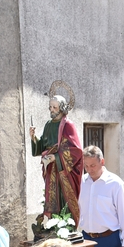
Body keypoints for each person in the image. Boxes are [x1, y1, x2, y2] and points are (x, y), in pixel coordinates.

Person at [29, 95, 83, 223]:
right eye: (50, 107)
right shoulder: (48, 125)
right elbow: (42, 145)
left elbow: (76, 150)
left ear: (62, 108)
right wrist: (33, 138)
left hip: (64, 169)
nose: (51, 110)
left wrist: (57, 157)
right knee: (52, 198)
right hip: (51, 168)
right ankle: (54, 224)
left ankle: (66, 224)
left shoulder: (68, 125)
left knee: (63, 197)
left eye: (54, 107)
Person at [79, 146, 124, 247]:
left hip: (109, 240)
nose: (89, 170)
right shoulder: (82, 182)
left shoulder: (115, 184)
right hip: (85, 239)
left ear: (102, 161)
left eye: (93, 165)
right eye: (86, 166)